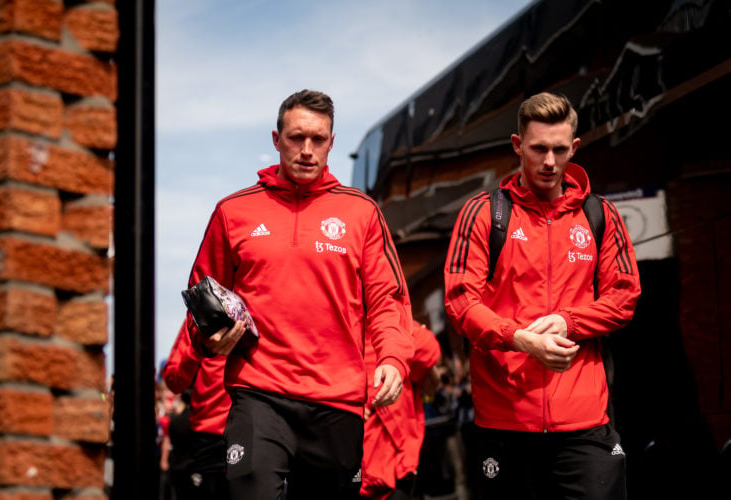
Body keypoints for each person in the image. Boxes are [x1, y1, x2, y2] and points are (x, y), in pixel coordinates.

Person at [185, 89, 414, 499]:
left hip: (337, 402)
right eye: (296, 138)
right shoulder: (232, 212)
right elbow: (202, 298)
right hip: (259, 393)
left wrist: (394, 358)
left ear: (331, 142)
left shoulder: (361, 212)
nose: (307, 150)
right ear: (277, 140)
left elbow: (387, 299)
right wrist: (207, 338)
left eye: (319, 139)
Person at [443, 92, 641, 499]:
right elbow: (462, 302)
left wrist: (569, 321)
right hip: (503, 424)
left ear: (575, 147)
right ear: (518, 146)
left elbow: (625, 295)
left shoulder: (600, 215)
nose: (549, 161)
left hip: (585, 426)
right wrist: (521, 340)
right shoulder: (483, 213)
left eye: (559, 149)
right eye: (538, 149)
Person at [352, 320, 441, 500]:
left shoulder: (407, 333)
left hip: (381, 452)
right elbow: (432, 384)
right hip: (378, 450)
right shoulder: (406, 332)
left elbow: (432, 383)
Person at [162, 320, 231, 499]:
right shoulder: (200, 318)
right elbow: (173, 379)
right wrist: (200, 345)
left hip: (259, 432)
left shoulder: (262, 308)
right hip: (211, 438)